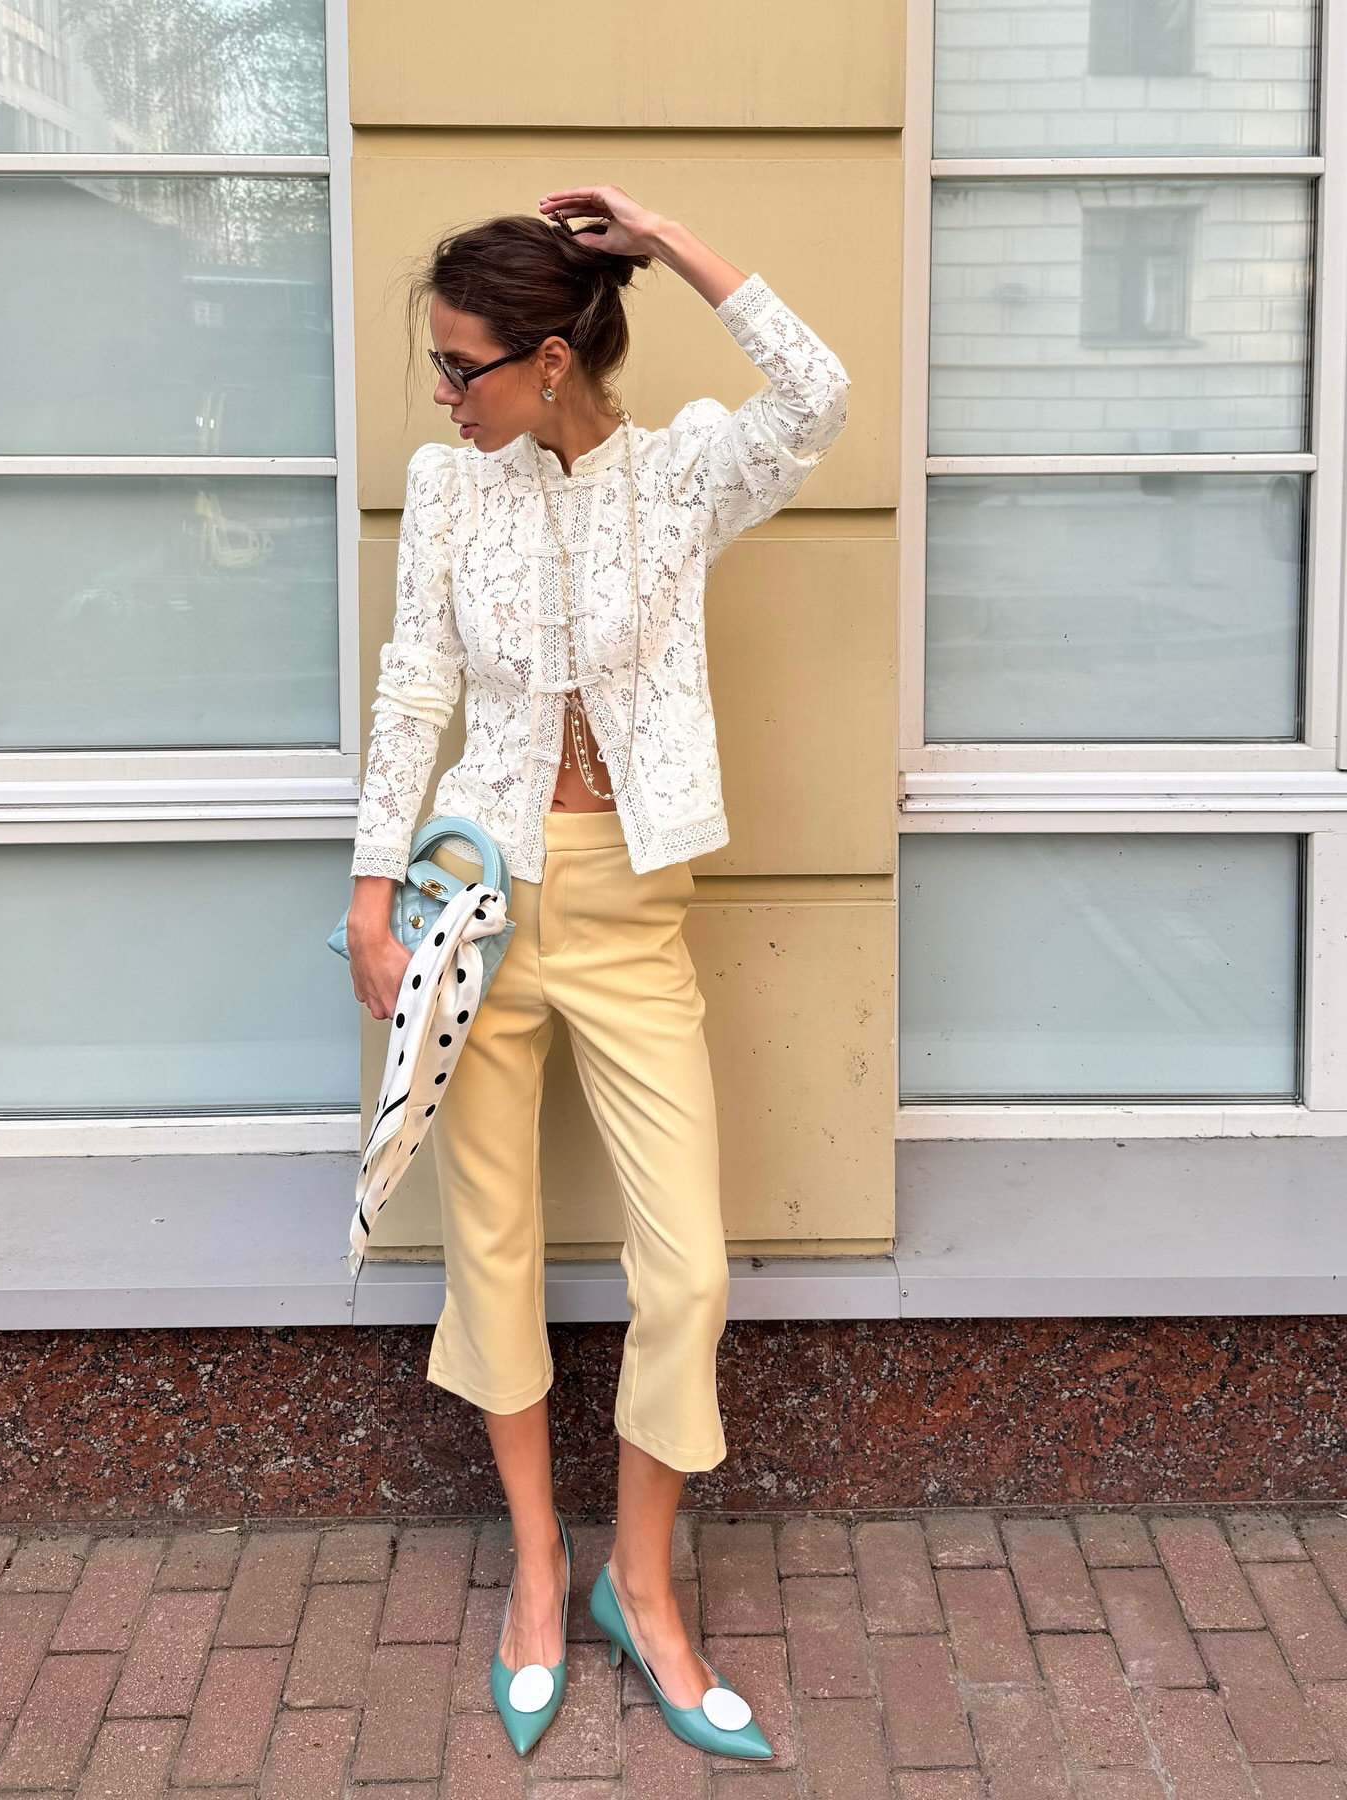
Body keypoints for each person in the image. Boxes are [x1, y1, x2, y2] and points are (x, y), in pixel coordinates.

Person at [346, 183, 850, 1759]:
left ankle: (643, 1579)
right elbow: (415, 682)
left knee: (685, 1271)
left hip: (632, 912)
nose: (443, 392)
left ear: (551, 359)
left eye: (464, 365)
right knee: (489, 1246)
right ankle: (538, 1573)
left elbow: (819, 395)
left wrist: (671, 240)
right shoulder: (449, 488)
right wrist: (369, 897)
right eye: (440, 364)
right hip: (477, 911)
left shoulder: (683, 475)